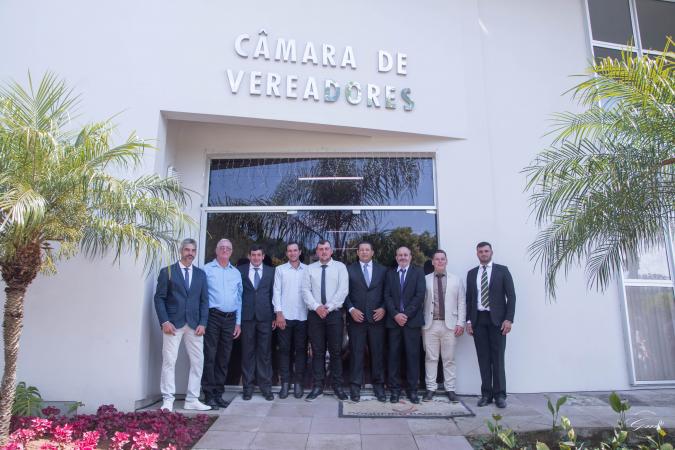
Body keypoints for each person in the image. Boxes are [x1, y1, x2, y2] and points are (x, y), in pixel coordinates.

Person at [154, 238, 211, 411]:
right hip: (173, 325)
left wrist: (203, 322)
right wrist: (164, 321)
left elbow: (204, 301)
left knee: (198, 362)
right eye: (187, 250)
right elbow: (159, 298)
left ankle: (192, 399)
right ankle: (168, 400)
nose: (190, 253)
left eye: (193, 250)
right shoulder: (168, 272)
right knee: (169, 361)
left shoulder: (201, 274)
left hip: (195, 325)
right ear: (181, 251)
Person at [466, 242, 516, 409]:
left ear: (491, 252)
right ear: (477, 254)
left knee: (498, 359)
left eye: (486, 251)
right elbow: (469, 299)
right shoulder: (472, 273)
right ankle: (486, 394)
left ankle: (500, 395)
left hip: (498, 321)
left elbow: (511, 296)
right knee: (483, 359)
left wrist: (509, 319)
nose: (484, 253)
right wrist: (468, 321)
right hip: (478, 320)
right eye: (480, 251)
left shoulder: (502, 271)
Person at [302, 240, 349, 401]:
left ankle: (337, 387)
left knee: (336, 352)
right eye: (320, 249)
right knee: (317, 352)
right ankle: (317, 387)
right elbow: (305, 290)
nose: (323, 252)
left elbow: (343, 290)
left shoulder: (340, 268)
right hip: (315, 315)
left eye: (326, 249)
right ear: (317, 251)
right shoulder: (309, 269)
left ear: (331, 251)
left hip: (334, 314)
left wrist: (328, 307)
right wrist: (317, 307)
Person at [201, 239, 242, 409]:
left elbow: (239, 299)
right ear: (216, 250)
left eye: (228, 248)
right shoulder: (206, 269)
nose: (225, 250)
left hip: (230, 319)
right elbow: (202, 296)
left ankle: (218, 394)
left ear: (231, 252)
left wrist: (238, 322)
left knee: (224, 358)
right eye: (222, 248)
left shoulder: (236, 273)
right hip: (212, 317)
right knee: (210, 356)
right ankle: (208, 394)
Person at [344, 241, 387, 402]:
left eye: (367, 250)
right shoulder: (349, 270)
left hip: (377, 319)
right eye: (361, 250)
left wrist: (383, 308)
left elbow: (388, 292)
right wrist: (351, 309)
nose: (364, 252)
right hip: (357, 318)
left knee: (377, 353)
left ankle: (379, 385)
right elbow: (343, 292)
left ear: (372, 252)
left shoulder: (382, 270)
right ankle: (355, 386)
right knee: (356, 353)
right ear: (357, 253)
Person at [422, 249, 466, 402]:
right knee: (430, 358)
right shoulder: (425, 279)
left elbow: (461, 302)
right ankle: (430, 388)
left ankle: (450, 389)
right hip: (430, 324)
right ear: (433, 262)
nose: (440, 261)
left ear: (446, 261)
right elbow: (421, 302)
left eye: (442, 259)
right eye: (437, 259)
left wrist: (460, 322)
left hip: (450, 325)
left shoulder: (456, 280)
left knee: (449, 359)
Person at [384, 246, 426, 404]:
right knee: (393, 357)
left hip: (412, 322)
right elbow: (386, 295)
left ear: (410, 257)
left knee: (412, 357)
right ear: (396, 258)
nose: (402, 257)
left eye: (405, 255)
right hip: (394, 322)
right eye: (400, 255)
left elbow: (419, 295)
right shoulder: (390, 274)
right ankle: (394, 390)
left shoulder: (418, 273)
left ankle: (412, 390)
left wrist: (406, 314)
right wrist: (396, 314)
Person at [238, 244, 276, 401]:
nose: (256, 258)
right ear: (249, 256)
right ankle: (248, 388)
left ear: (263, 256)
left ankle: (266, 388)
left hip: (265, 317)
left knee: (264, 354)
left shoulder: (271, 272)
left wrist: (274, 315)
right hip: (246, 317)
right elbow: (237, 294)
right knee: (247, 353)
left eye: (258, 255)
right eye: (253, 255)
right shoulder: (240, 271)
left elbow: (274, 294)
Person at [273, 242, 309, 399]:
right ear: (286, 253)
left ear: (300, 252)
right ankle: (285, 383)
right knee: (284, 351)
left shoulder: (308, 269)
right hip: (285, 318)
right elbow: (276, 292)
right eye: (290, 251)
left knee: (301, 351)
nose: (293, 253)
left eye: (295, 250)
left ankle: (298, 383)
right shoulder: (280, 270)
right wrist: (279, 314)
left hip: (303, 317)